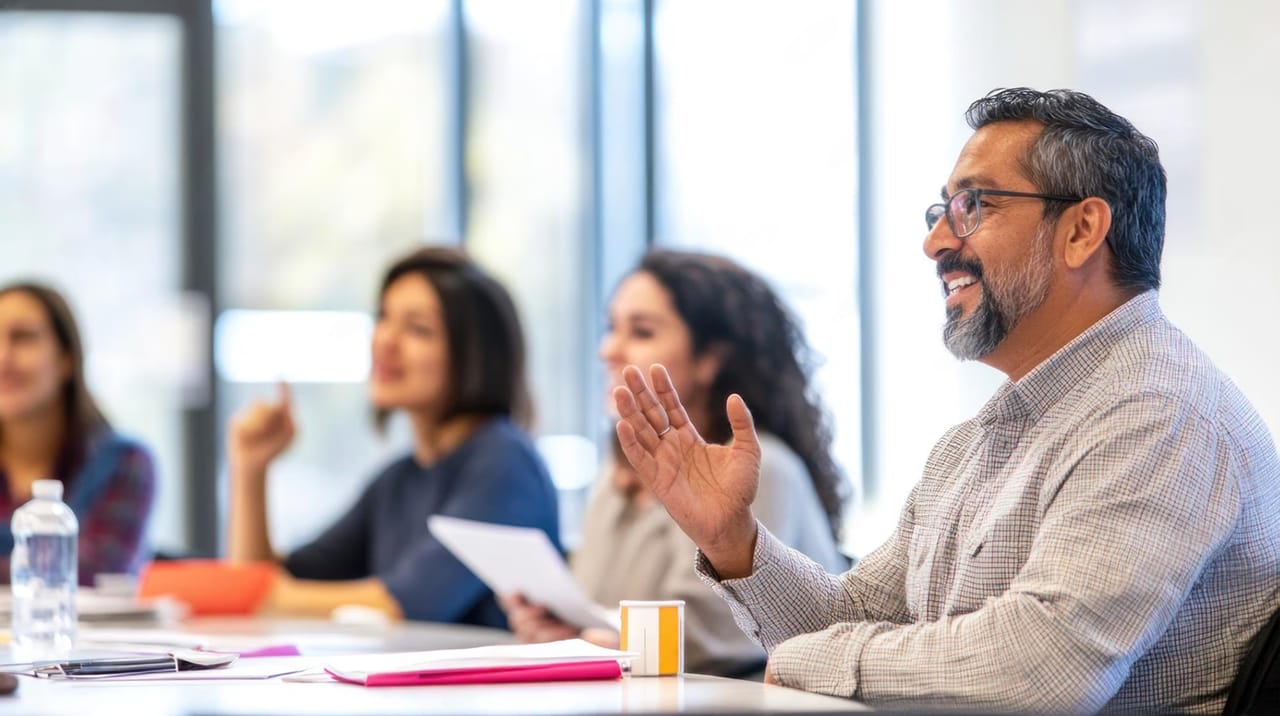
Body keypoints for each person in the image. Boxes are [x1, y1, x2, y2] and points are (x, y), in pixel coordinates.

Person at [611, 88, 1280, 713]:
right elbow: (851, 622)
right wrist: (734, 542)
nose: (935, 243)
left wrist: (819, 662)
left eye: (974, 207)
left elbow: (1045, 670)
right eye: (942, 212)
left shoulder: (1159, 413)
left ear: (1081, 230)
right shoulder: (981, 439)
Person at [504, 249, 848, 677]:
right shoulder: (616, 474)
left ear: (711, 359)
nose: (609, 349)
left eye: (641, 332)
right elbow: (596, 609)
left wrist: (594, 643)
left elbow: (713, 639)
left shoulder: (765, 469)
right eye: (612, 328)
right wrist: (562, 631)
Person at [226, 246, 560, 628]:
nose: (385, 340)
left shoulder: (504, 465)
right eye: (383, 318)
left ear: (475, 356)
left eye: (418, 329)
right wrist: (249, 469)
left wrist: (265, 595)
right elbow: (271, 580)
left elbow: (407, 603)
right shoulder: (399, 479)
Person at [0, 282, 156, 585]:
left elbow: (94, 571)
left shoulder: (123, 462)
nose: (3, 357)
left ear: (66, 358)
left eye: (23, 338)